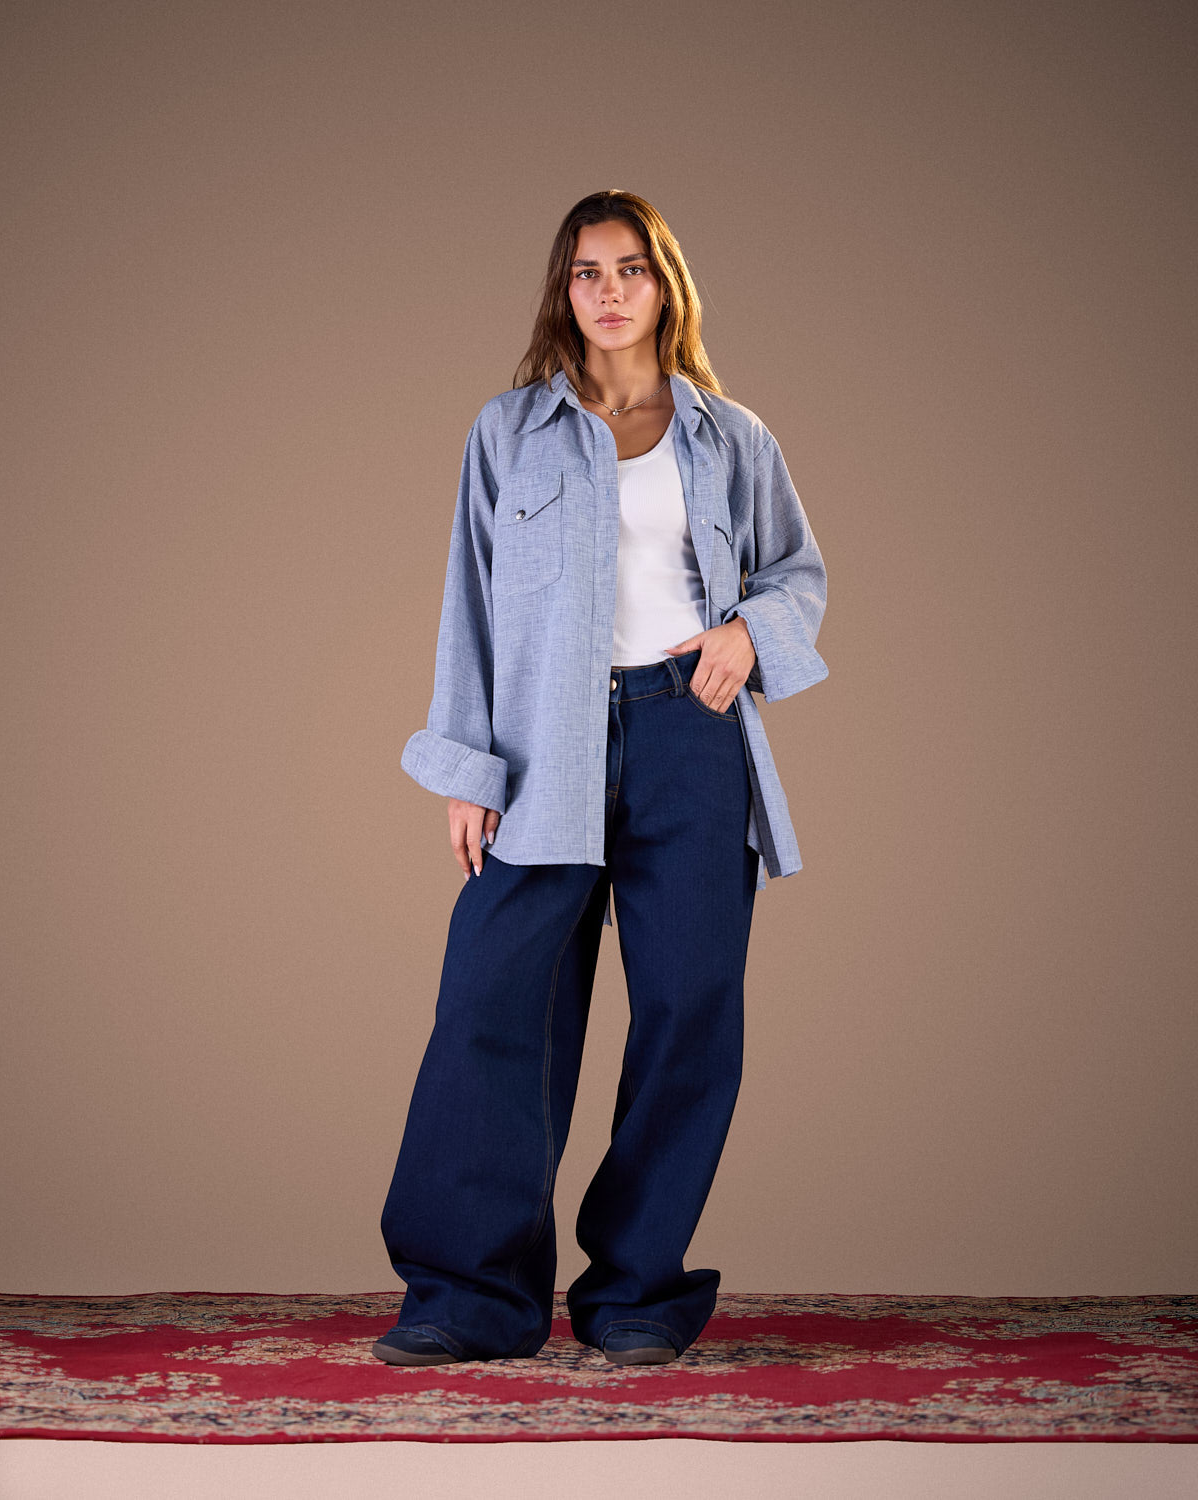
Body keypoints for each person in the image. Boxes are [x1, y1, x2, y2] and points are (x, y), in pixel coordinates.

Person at [373, 189, 829, 1369]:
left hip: (691, 737)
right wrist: (469, 769)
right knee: (493, 1007)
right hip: (543, 749)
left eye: (632, 268)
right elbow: (470, 605)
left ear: (665, 285)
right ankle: (470, 1294)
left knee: (687, 1015)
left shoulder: (731, 436)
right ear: (563, 290)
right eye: (588, 272)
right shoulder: (509, 432)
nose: (611, 291)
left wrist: (750, 636)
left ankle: (637, 1294)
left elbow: (796, 574)